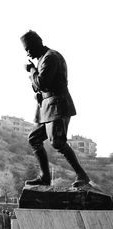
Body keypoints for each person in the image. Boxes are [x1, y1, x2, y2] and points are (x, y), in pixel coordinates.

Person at [21, 30, 90, 188]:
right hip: (47, 107)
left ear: (37, 43)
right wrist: (35, 76)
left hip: (58, 105)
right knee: (34, 139)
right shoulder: (43, 59)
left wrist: (31, 71)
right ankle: (45, 177)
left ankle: (82, 175)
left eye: (29, 49)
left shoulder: (50, 57)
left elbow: (41, 83)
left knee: (57, 142)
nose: (28, 54)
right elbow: (37, 87)